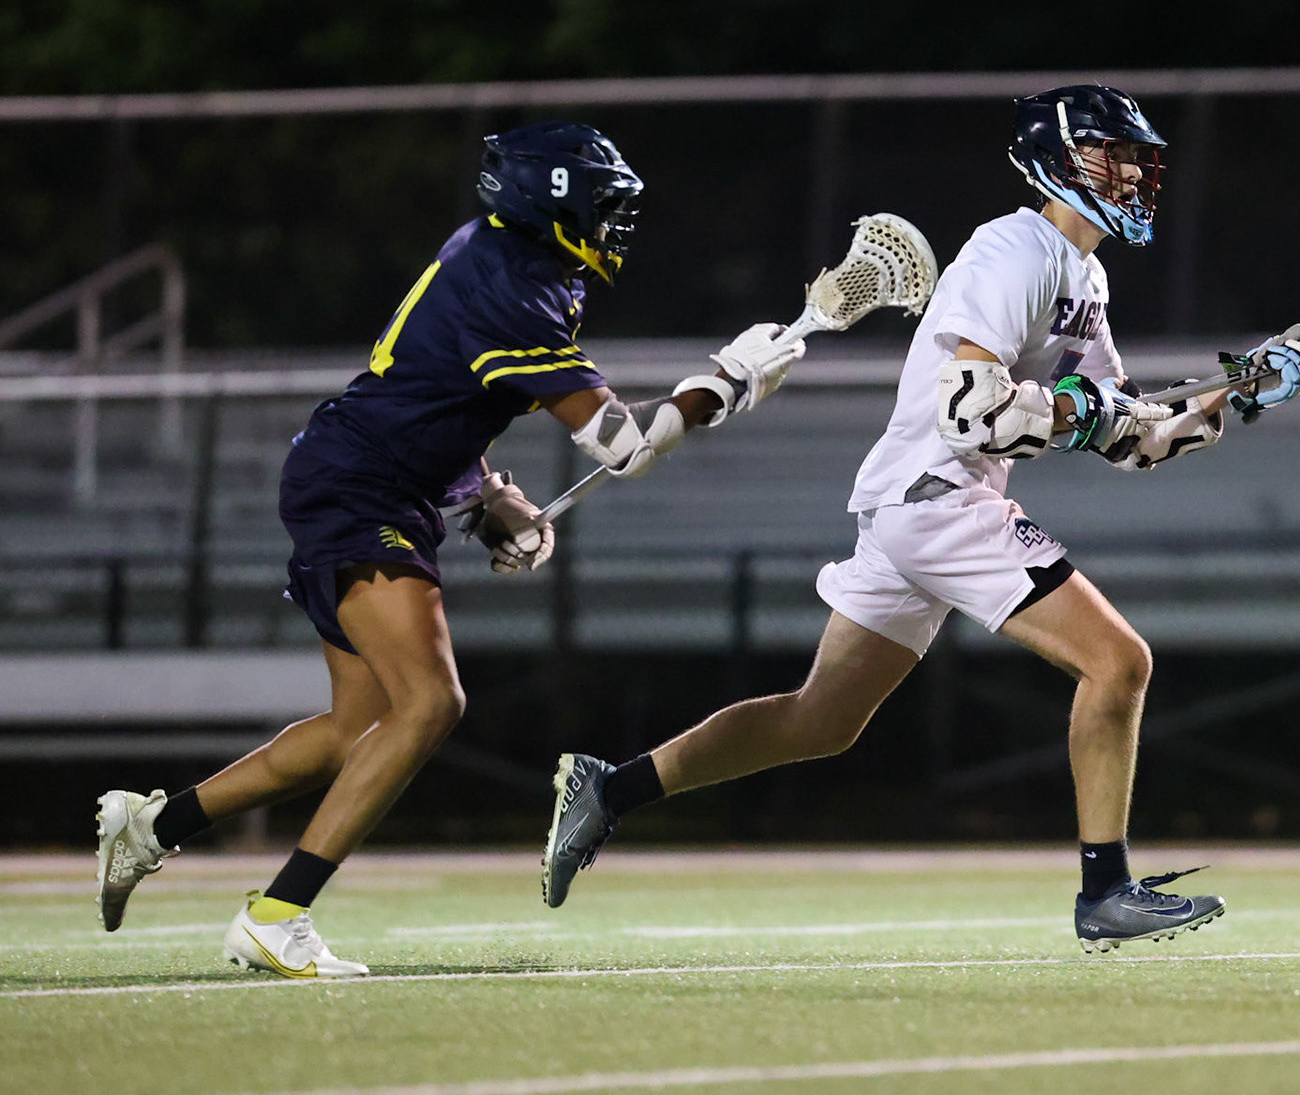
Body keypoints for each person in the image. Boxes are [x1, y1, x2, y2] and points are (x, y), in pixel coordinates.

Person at [540, 86, 1300, 952]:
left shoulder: (1084, 276)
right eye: (1117, 154)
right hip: (940, 498)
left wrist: (1235, 390)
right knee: (1119, 663)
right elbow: (976, 415)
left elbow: (1130, 434)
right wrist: (1086, 412)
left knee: (820, 720)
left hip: (913, 507)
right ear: (1059, 161)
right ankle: (1106, 891)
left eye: (1142, 158)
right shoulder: (1011, 249)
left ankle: (608, 789)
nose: (1137, 172)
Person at [93, 121, 804, 978]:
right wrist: (722, 385)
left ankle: (150, 827)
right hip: (361, 487)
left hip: (369, 477)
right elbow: (625, 447)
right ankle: (276, 914)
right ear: (554, 201)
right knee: (431, 704)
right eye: (605, 207)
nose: (617, 227)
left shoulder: (516, 261)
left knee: (353, 727)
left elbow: (440, 388)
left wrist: (484, 495)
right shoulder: (512, 282)